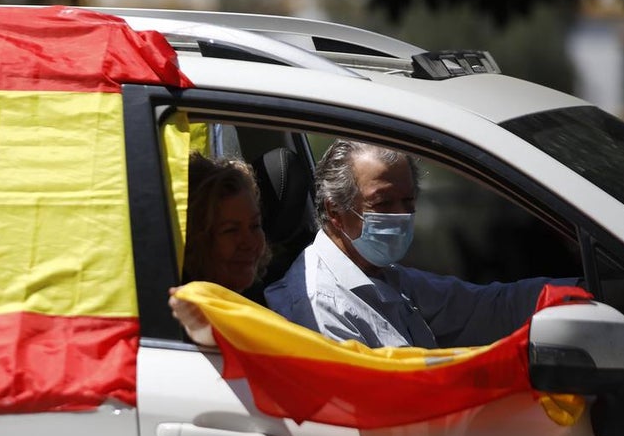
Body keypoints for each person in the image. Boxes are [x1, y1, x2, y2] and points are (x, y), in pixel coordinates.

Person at [261, 139, 578, 348]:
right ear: (335, 210)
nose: (401, 215)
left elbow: (489, 307)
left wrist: (582, 292)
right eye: (383, 203)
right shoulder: (318, 306)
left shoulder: (385, 276)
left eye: (408, 200)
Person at [181, 151, 271, 303]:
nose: (249, 242)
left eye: (255, 226)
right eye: (231, 230)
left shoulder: (259, 300)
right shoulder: (190, 318)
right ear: (194, 240)